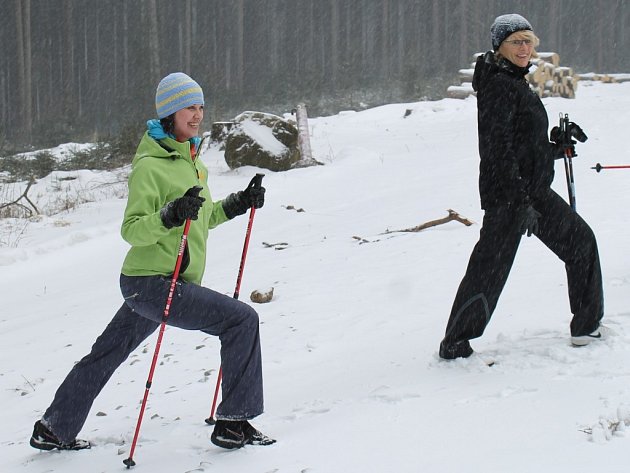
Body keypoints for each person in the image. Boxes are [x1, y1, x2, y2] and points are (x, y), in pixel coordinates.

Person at [30, 72, 275, 450]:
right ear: (169, 114)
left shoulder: (192, 161)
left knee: (106, 353)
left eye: (200, 107)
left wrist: (238, 203)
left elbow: (203, 217)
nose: (196, 115)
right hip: (152, 283)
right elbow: (132, 229)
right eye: (188, 108)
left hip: (158, 284)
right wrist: (169, 215)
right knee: (242, 319)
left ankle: (53, 429)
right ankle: (234, 423)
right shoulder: (150, 165)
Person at [438, 14, 605, 360]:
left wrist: (557, 147)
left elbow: (523, 146)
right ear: (500, 46)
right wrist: (519, 201)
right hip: (510, 197)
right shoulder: (500, 85)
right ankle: (455, 342)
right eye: (516, 42)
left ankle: (586, 327)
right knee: (489, 269)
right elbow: (498, 151)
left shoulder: (513, 81)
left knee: (581, 243)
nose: (525, 48)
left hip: (530, 192)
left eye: (528, 41)